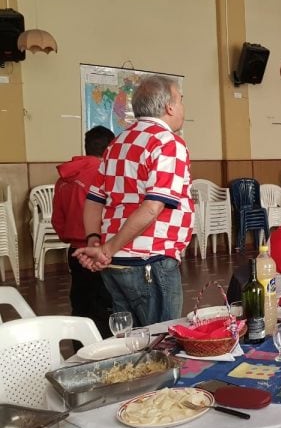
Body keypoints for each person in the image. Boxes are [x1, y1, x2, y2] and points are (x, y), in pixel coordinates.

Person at [74, 75, 193, 326]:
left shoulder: (117, 143)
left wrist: (96, 241)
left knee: (131, 342)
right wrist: (106, 250)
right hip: (151, 261)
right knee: (162, 342)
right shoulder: (168, 143)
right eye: (181, 100)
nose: (182, 107)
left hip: (116, 265)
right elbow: (152, 207)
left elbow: (95, 200)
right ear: (169, 106)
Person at [52, 126, 115, 338]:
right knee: (105, 310)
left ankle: (80, 356)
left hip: (75, 252)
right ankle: (106, 359)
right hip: (100, 253)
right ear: (109, 149)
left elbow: (57, 220)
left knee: (81, 307)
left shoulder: (64, 178)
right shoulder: (105, 174)